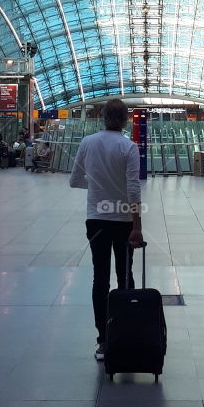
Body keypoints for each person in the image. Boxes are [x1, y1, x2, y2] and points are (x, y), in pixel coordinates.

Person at [69, 98, 144, 361]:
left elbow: (75, 180)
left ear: (102, 117)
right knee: (125, 276)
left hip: (96, 220)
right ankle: (128, 332)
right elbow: (133, 189)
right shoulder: (129, 146)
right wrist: (137, 227)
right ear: (125, 120)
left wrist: (99, 186)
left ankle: (103, 340)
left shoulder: (87, 143)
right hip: (124, 221)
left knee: (99, 279)